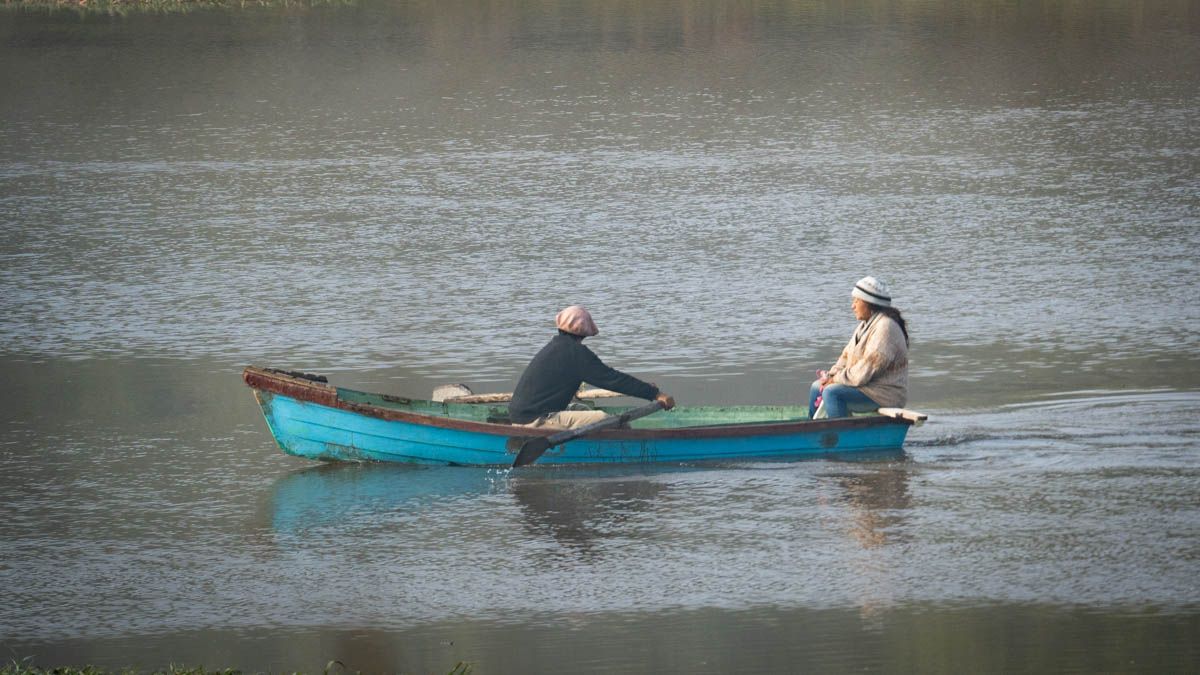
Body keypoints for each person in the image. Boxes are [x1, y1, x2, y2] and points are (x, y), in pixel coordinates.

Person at [509, 305, 675, 428]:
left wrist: (646, 389)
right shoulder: (576, 354)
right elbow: (612, 379)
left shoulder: (554, 347)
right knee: (606, 419)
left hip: (522, 415)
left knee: (581, 408)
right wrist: (655, 394)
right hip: (536, 420)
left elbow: (610, 377)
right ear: (584, 332)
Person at [809, 276, 909, 419]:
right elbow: (845, 357)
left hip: (884, 393)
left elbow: (865, 370)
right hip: (867, 387)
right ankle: (814, 433)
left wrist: (836, 379)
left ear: (869, 303)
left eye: (856, 301)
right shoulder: (864, 326)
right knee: (816, 387)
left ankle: (843, 437)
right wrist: (830, 376)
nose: (853, 306)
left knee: (832, 393)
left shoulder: (885, 327)